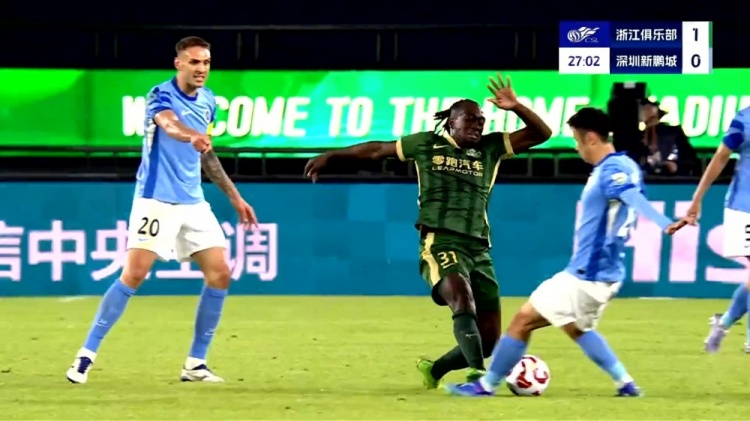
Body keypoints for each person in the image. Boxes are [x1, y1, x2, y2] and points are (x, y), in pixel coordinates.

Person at [304, 74, 552, 388]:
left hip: (479, 247)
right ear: (451, 122)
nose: (478, 125)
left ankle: (434, 371)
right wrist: (332, 156)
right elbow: (377, 150)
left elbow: (542, 133)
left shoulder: (490, 148)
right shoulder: (426, 144)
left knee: (488, 340)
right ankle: (478, 376)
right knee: (461, 298)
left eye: (481, 120)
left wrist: (516, 107)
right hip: (441, 240)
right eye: (470, 119)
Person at [445, 107, 685, 398]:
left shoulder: (610, 171)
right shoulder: (627, 165)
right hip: (607, 274)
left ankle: (486, 386)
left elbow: (632, 197)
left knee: (523, 320)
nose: (576, 147)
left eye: (576, 139)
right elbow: (633, 194)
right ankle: (626, 383)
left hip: (586, 275)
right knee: (576, 328)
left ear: (591, 138)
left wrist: (665, 223)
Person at [65, 36, 257, 384]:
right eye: (194, 62)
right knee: (134, 274)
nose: (201, 69)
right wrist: (191, 135)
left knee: (220, 273)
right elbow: (169, 124)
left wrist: (234, 196)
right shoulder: (161, 94)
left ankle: (195, 364)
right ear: (178, 63)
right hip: (156, 199)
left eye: (206, 62)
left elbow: (207, 154)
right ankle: (86, 355)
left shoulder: (209, 101)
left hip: (193, 201)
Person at [681, 106, 750, 353]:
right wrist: (697, 198)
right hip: (744, 206)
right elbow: (721, 156)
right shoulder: (744, 119)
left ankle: (724, 322)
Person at [633, 99, 697, 176]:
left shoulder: (673, 133)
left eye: (647, 108)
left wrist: (677, 167)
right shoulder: (637, 137)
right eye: (643, 108)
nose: (643, 111)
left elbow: (689, 159)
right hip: (646, 178)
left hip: (671, 179)